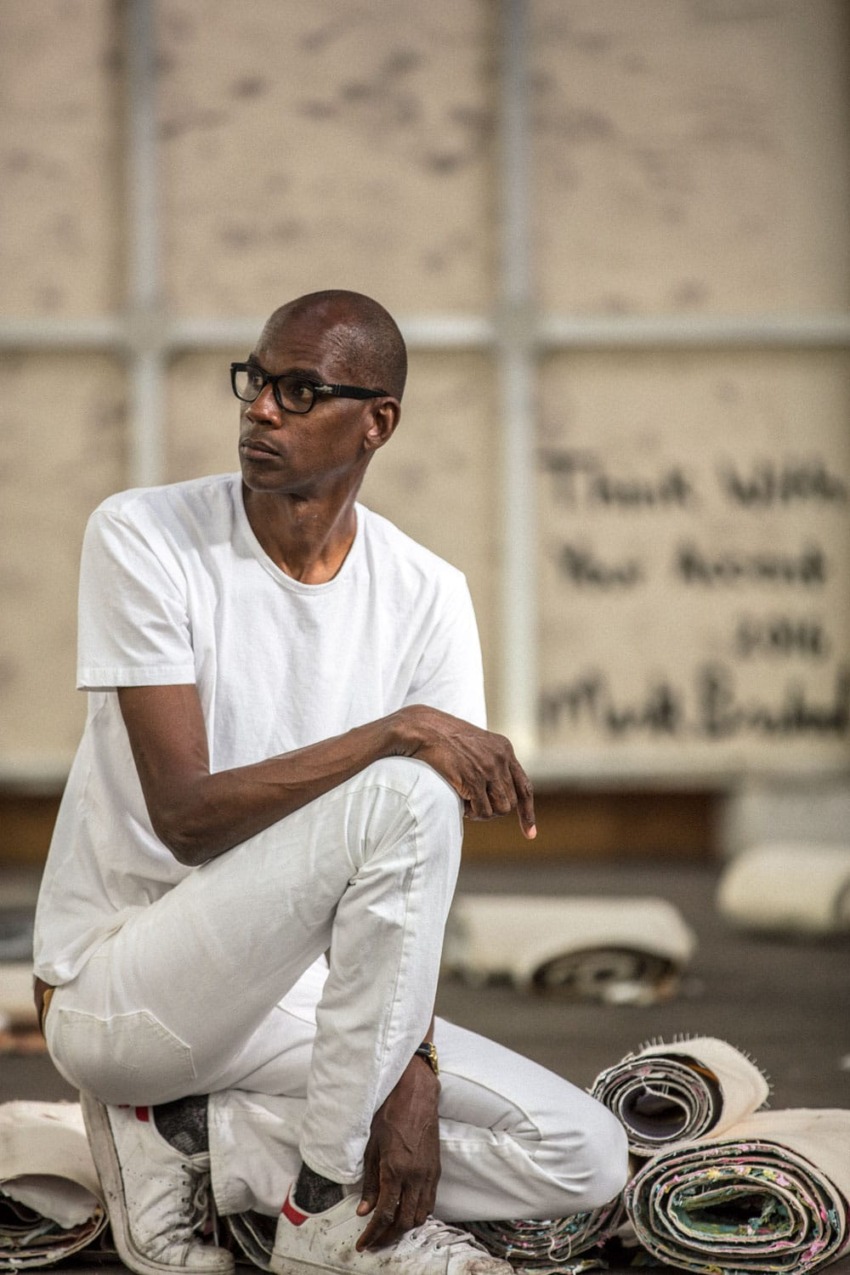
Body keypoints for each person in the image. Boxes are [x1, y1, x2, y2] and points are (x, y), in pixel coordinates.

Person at [33, 290, 628, 1275]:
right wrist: (395, 732)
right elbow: (185, 817)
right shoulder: (143, 537)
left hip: (290, 1005)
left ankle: (205, 1150)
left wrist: (414, 1071)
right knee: (408, 783)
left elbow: (416, 871)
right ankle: (324, 1218)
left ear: (376, 421)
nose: (261, 410)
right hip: (123, 994)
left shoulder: (426, 593)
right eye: (256, 381)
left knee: (582, 1154)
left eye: (299, 391)